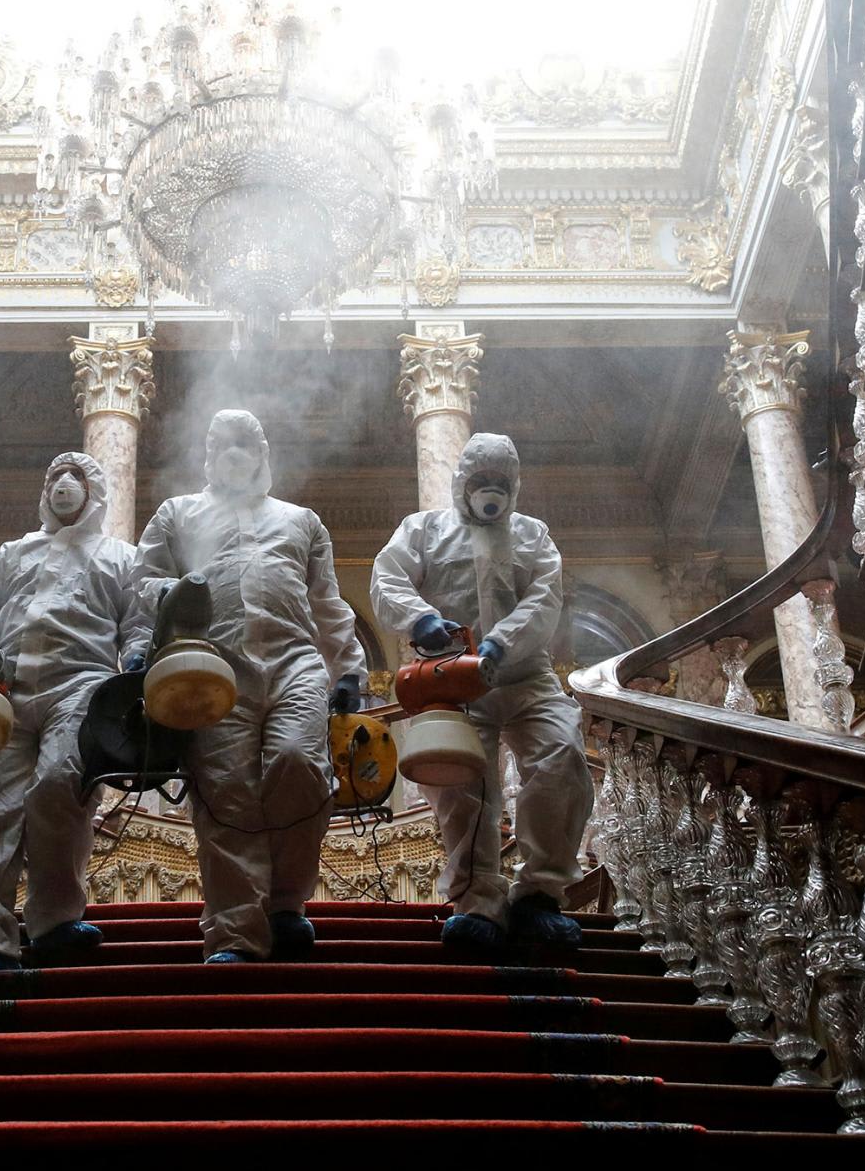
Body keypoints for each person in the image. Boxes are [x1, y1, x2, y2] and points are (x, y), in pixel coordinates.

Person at [136, 410, 367, 962]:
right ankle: (235, 933)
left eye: (245, 442)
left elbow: (327, 601)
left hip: (295, 662)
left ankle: (285, 905)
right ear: (209, 452)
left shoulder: (300, 521)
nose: (235, 452)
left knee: (298, 764)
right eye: (225, 442)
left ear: (262, 451)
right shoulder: (177, 514)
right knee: (225, 791)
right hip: (213, 667)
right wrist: (171, 598)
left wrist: (349, 667)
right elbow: (141, 583)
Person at [370, 432, 590, 952]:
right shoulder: (423, 530)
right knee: (462, 790)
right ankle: (477, 903)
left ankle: (540, 895)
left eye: (499, 481)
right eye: (480, 479)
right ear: (461, 482)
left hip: (525, 673)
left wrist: (502, 642)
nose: (490, 489)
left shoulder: (533, 535)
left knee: (561, 757)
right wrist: (419, 618)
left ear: (514, 485)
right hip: (452, 678)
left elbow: (544, 600)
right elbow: (387, 579)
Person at [0, 451, 149, 976]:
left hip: (82, 685)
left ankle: (55, 921)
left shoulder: (121, 557)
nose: (64, 484)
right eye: (56, 476)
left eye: (75, 477)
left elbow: (138, 621)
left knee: (62, 787)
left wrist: (138, 662)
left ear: (94, 491)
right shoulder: (14, 553)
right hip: (6, 687)